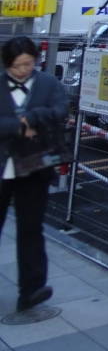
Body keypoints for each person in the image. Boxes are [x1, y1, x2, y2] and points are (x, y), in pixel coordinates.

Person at [0, 37, 68, 311]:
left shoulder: (48, 84)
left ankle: (32, 289)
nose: (23, 70)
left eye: (28, 64)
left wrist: (35, 116)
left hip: (34, 167)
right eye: (16, 66)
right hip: (3, 166)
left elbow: (61, 110)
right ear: (6, 64)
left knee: (31, 228)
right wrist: (17, 127)